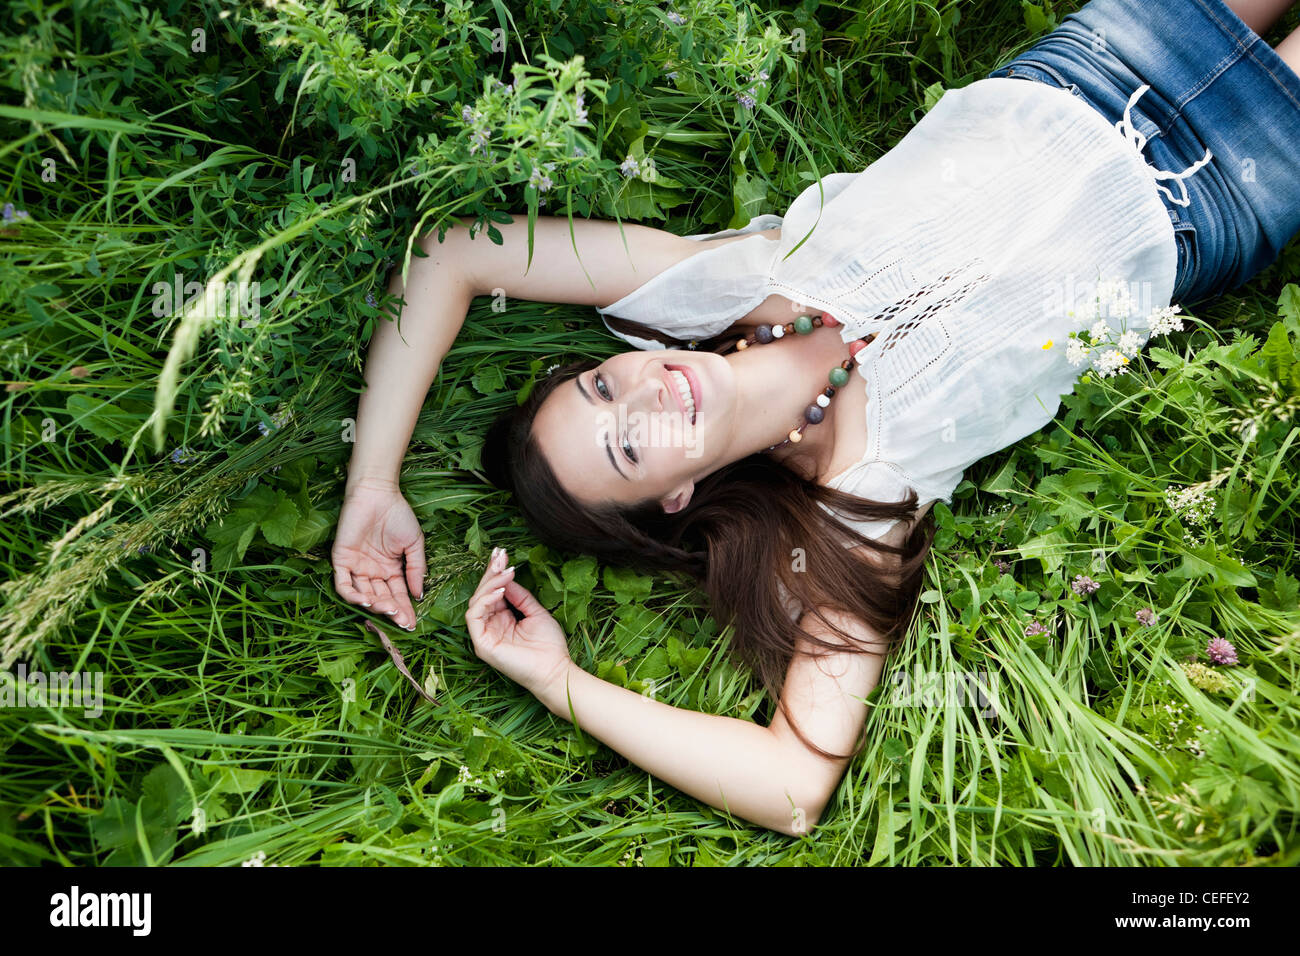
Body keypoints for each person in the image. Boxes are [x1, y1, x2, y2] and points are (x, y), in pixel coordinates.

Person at [333, 0, 1300, 835]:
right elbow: (793, 786)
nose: (644, 393)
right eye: (630, 445)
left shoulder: (713, 288)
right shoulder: (864, 497)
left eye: (601, 384)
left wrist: (373, 483)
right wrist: (560, 683)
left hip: (1102, 57)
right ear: (676, 494)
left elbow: (453, 254)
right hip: (1215, 201)